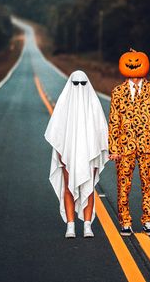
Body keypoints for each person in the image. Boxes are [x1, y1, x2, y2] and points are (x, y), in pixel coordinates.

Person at [45, 70, 108, 238]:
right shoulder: (64, 104)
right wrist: (59, 153)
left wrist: (98, 153)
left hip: (90, 153)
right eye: (75, 84)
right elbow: (56, 131)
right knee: (68, 187)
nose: (79, 87)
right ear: (70, 84)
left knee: (89, 186)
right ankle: (70, 225)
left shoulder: (93, 103)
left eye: (83, 84)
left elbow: (101, 130)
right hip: (69, 153)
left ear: (87, 84)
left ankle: (88, 225)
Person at [108, 49, 150, 236]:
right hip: (125, 146)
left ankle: (148, 220)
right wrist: (113, 147)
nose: (133, 63)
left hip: (147, 144)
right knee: (124, 184)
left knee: (148, 182)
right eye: (130, 61)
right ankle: (125, 220)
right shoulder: (118, 92)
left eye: (137, 61)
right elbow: (114, 120)